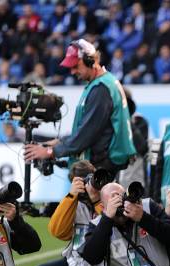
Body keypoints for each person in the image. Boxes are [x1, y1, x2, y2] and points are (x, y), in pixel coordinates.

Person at [24, 38, 136, 176]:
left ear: (90, 61)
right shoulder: (101, 84)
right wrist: (59, 142)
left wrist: (51, 151)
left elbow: (87, 134)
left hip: (102, 166)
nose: (72, 71)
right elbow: (86, 129)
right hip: (102, 163)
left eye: (75, 66)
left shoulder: (101, 88)